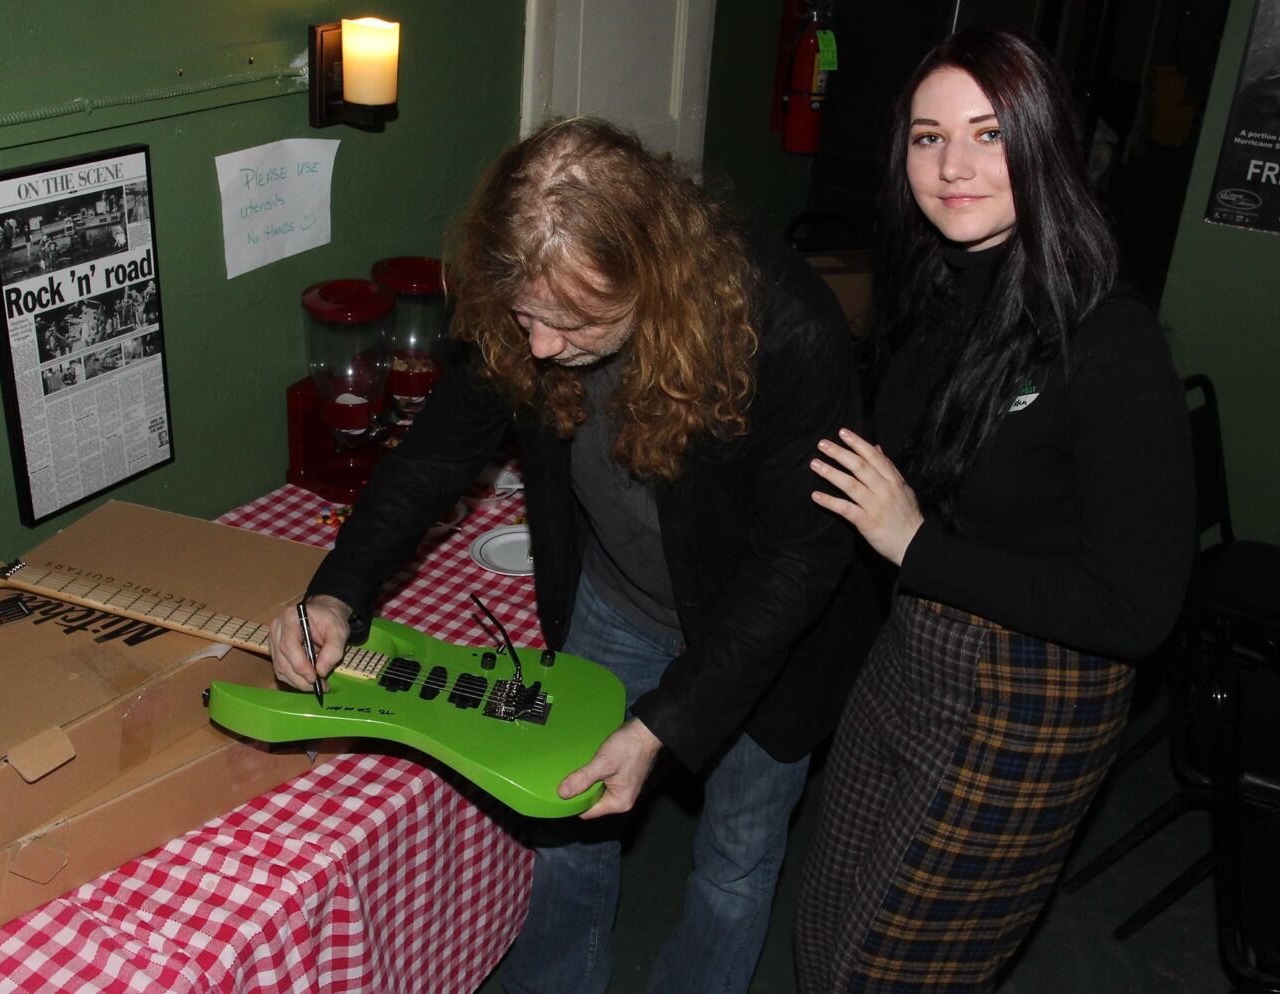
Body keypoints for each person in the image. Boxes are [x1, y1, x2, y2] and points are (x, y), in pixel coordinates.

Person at [267, 116, 877, 994]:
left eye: (575, 321)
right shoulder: (533, 298)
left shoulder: (787, 328)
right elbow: (436, 454)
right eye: (526, 317)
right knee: (563, 826)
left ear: (654, 270)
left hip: (764, 640)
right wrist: (337, 593)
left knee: (735, 865)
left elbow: (797, 564)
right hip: (616, 602)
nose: (543, 347)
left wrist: (664, 724)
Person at [793, 26, 1195, 994]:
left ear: (1044, 145)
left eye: (988, 134)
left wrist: (913, 542)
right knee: (819, 926)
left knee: (884, 971)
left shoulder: (1111, 343)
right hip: (912, 650)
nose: (954, 165)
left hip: (1032, 696)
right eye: (929, 138)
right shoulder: (938, 286)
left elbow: (1137, 612)